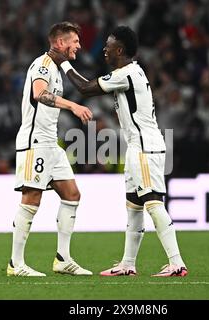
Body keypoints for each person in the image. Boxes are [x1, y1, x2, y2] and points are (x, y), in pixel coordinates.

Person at [49, 26, 188, 277]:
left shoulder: (128, 73)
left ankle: (176, 262)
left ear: (120, 50)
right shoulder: (128, 73)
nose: (104, 49)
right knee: (134, 206)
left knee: (153, 202)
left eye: (109, 46)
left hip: (145, 145)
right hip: (137, 146)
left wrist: (64, 64)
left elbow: (85, 88)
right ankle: (127, 264)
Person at [8, 22, 93, 277]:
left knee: (72, 194)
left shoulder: (57, 68)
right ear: (59, 43)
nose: (78, 45)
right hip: (35, 142)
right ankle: (16, 263)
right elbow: (39, 94)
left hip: (50, 144)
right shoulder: (42, 64)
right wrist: (73, 106)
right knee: (32, 198)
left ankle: (63, 259)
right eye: (74, 41)